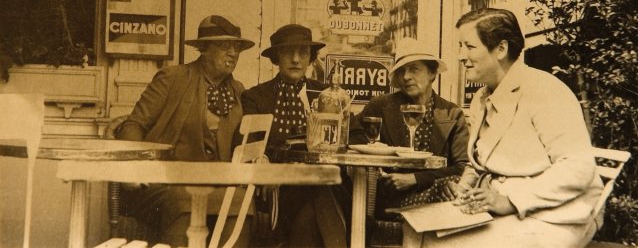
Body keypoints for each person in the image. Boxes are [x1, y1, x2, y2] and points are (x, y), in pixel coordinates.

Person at [415, 8, 603, 247]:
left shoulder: (544, 91)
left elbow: (578, 168)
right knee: (421, 233)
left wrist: (511, 199)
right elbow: (480, 161)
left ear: (501, 49)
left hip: (558, 214)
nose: (461, 56)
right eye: (460, 46)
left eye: (469, 47)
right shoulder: (482, 97)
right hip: (505, 210)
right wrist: (462, 191)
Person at [116, 14, 255, 247]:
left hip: (216, 185)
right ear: (204, 48)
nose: (232, 53)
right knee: (185, 200)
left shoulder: (238, 91)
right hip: (164, 183)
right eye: (224, 46)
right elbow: (133, 125)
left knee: (241, 201)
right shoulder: (173, 78)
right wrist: (136, 167)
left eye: (236, 47)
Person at [241, 24, 348, 248]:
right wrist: (262, 161)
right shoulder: (256, 97)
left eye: (303, 53)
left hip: (317, 184)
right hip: (279, 189)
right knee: (319, 195)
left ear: (311, 58)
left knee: (310, 214)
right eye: (289, 52)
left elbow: (349, 137)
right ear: (277, 57)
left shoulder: (326, 95)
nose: (296, 59)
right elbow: (247, 143)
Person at [350, 37, 470, 217]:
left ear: (432, 73)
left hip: (436, 196)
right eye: (402, 71)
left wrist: (415, 179)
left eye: (414, 69)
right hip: (389, 197)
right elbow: (354, 131)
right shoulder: (381, 106)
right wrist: (374, 155)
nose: (406, 77)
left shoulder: (451, 113)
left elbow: (462, 167)